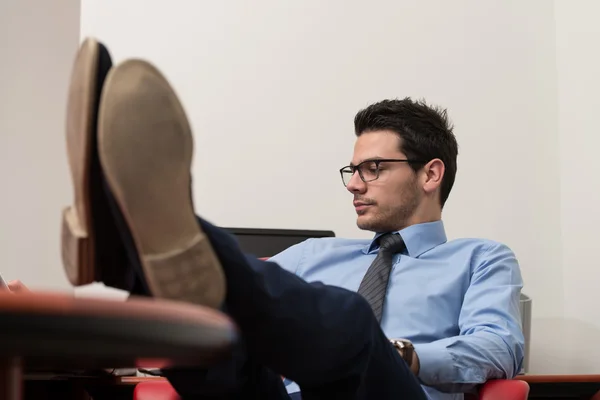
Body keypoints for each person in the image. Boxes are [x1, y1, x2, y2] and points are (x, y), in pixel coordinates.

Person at [55, 40, 523, 399]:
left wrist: (404, 354)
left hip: (387, 389)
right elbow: (240, 299)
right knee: (212, 339)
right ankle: (127, 254)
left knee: (352, 327)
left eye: (373, 169)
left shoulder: (480, 258)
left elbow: (500, 348)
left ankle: (133, 242)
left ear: (431, 174)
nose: (354, 185)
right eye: (352, 171)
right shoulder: (315, 253)